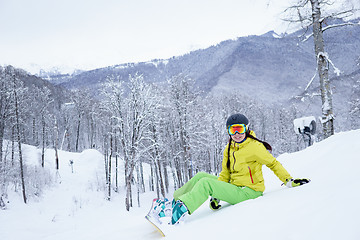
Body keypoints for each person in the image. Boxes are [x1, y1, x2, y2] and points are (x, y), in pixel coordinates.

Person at [147, 113, 309, 225]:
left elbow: (273, 163)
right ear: (228, 132)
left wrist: (288, 180)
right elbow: (225, 173)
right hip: (234, 187)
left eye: (240, 128)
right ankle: (174, 202)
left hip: (249, 192)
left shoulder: (255, 147)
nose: (237, 133)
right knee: (201, 176)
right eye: (233, 130)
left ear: (246, 128)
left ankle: (177, 215)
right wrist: (216, 195)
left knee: (205, 184)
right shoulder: (229, 147)